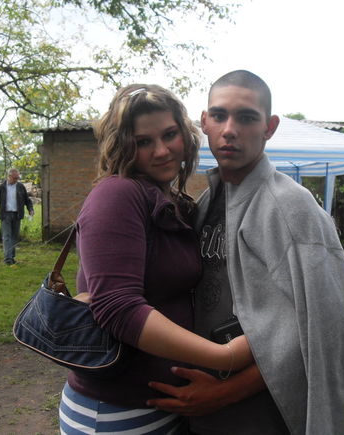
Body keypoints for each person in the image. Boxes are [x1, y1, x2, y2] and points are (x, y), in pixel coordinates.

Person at [147, 70, 344, 435]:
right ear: (204, 123)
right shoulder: (207, 201)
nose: (230, 130)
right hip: (205, 418)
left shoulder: (291, 208)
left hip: (260, 417)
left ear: (269, 127)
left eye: (246, 117)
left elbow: (321, 331)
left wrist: (222, 394)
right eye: (219, 116)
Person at [58, 84, 254, 435]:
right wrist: (225, 357)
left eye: (169, 135)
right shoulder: (117, 194)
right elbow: (117, 308)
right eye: (143, 141)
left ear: (186, 135)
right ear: (122, 146)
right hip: (116, 412)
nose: (162, 151)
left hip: (164, 409)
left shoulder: (175, 202)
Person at [0, 168, 34, 265]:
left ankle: (12, 257)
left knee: (14, 237)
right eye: (14, 178)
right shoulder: (1, 187)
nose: (16, 180)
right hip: (5, 214)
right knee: (7, 236)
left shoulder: (20, 186)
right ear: (9, 176)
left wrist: (30, 209)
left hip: (17, 214)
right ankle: (8, 258)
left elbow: (27, 200)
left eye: (17, 178)